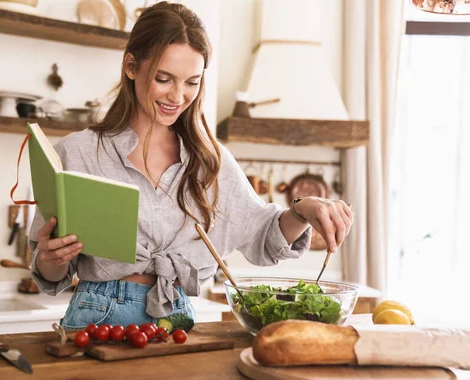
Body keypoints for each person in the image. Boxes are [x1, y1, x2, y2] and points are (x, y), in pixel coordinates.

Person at [28, 1, 353, 329]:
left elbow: (263, 236)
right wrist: (49, 257)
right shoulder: (76, 153)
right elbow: (51, 275)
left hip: (176, 321)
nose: (178, 96)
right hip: (96, 319)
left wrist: (301, 210)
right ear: (131, 66)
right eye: (164, 78)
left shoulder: (211, 162)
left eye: (192, 82)